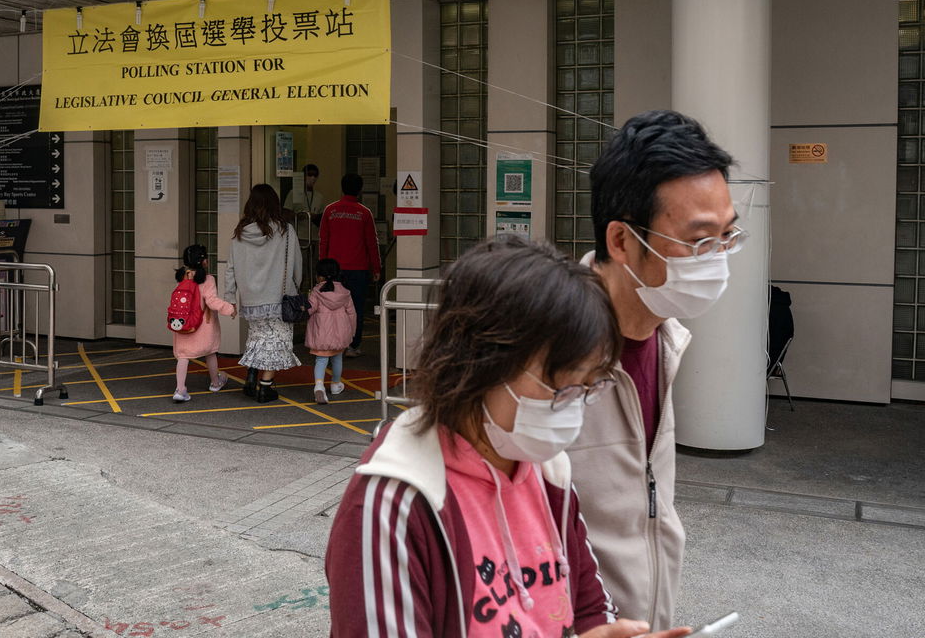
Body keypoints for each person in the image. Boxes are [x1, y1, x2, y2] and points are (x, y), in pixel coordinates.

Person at [325, 235, 691, 638]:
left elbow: (588, 606)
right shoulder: (394, 504)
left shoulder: (549, 472)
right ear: (480, 363)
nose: (576, 407)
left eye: (590, 387)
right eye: (561, 387)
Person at [567, 110, 742, 629]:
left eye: (728, 236)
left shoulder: (667, 339)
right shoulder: (540, 353)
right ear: (621, 242)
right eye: (700, 240)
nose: (718, 260)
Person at [222, 183, 302, 403]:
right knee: (277, 341)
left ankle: (251, 375)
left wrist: (230, 298)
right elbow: (297, 265)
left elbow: (230, 267)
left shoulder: (240, 232)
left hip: (250, 299)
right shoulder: (285, 230)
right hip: (278, 296)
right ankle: (265, 387)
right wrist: (295, 287)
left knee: (257, 338)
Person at [318, 172, 380, 357]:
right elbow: (371, 243)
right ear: (359, 190)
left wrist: (321, 268)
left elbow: (323, 241)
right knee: (356, 309)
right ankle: (353, 345)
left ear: (342, 187)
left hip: (333, 270)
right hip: (359, 270)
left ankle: (334, 343)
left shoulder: (330, 210)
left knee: (332, 307)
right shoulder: (364, 213)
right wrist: (376, 268)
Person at [170, 244, 236, 403]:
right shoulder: (208, 279)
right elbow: (212, 301)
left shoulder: (182, 276)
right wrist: (229, 308)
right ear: (204, 262)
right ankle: (215, 382)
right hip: (203, 326)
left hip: (183, 323)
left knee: (183, 356)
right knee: (211, 352)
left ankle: (180, 389)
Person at [304, 257, 355, 405]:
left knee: (321, 360)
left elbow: (310, 310)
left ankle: (319, 386)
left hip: (321, 334)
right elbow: (352, 314)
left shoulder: (316, 291)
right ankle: (335, 385)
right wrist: (351, 332)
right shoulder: (345, 292)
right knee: (337, 359)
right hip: (340, 334)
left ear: (319, 276)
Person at [283, 163, 324, 279]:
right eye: (309, 175)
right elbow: (285, 213)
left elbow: (322, 217)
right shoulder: (294, 193)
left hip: (314, 236)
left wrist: (315, 217)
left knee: (313, 267)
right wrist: (298, 216)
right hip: (299, 236)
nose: (312, 178)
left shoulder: (319, 196)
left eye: (315, 175)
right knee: (300, 267)